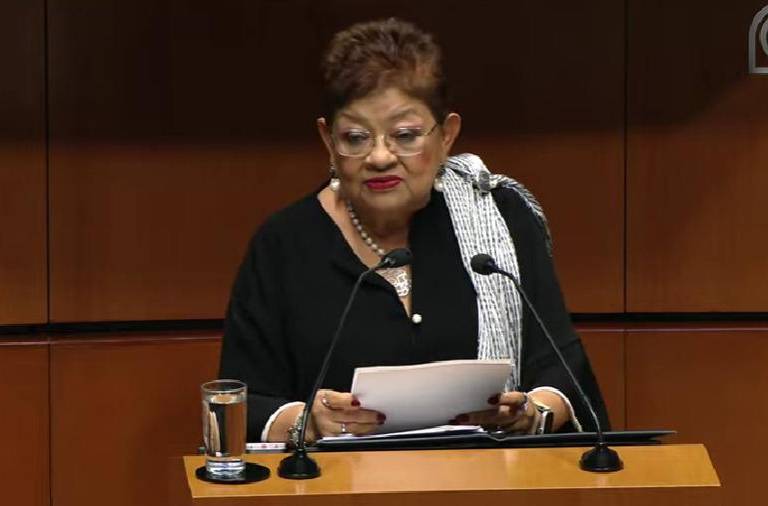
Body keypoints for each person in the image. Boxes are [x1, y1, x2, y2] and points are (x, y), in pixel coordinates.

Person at [219, 18, 610, 443]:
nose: (380, 157)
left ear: (447, 136)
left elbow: (562, 373)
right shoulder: (284, 245)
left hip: (489, 474)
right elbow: (241, 404)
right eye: (355, 137)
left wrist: (530, 413)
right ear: (328, 141)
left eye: (405, 135)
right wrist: (305, 422)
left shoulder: (501, 219)